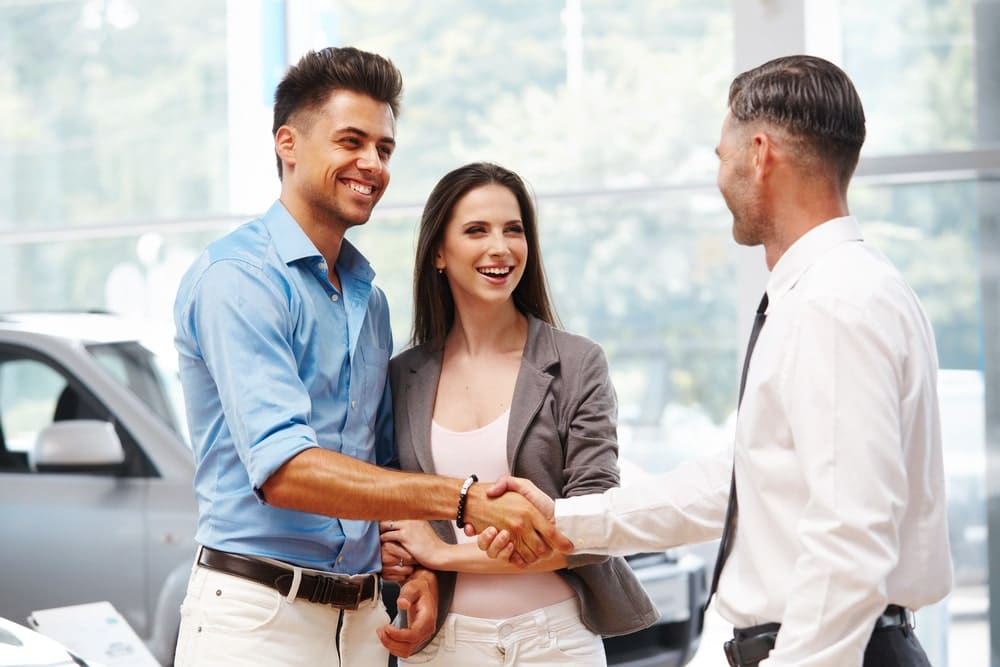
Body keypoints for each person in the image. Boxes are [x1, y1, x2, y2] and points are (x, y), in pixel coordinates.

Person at [478, 55, 953, 667]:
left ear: (759, 153)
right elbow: (742, 483)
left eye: (721, 157)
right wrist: (566, 516)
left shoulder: (835, 303)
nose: (721, 177)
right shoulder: (836, 291)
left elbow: (852, 532)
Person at [172, 47, 569, 667]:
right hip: (259, 616)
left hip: (362, 619)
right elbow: (287, 471)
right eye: (351, 141)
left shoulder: (368, 299)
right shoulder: (239, 279)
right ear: (288, 144)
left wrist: (415, 570)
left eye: (384, 149)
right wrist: (464, 500)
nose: (371, 164)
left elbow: (374, 465)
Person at [376, 162, 658, 665]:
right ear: (439, 253)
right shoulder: (402, 377)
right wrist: (417, 570)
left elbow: (596, 530)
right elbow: (400, 516)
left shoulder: (577, 363)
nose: (501, 248)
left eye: (514, 230)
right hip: (443, 645)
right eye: (476, 230)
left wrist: (441, 555)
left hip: (556, 641)